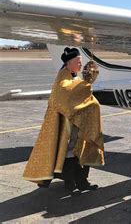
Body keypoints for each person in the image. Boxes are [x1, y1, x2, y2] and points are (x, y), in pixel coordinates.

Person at [23, 47, 104, 192]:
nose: (80, 64)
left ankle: (81, 181)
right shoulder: (63, 79)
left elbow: (81, 95)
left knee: (80, 151)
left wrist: (85, 83)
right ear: (68, 63)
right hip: (66, 125)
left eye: (80, 62)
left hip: (78, 123)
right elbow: (68, 96)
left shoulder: (74, 77)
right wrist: (86, 84)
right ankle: (71, 182)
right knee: (68, 152)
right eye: (78, 62)